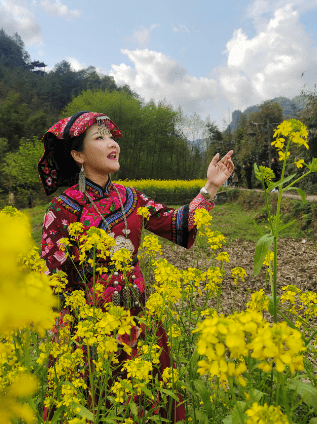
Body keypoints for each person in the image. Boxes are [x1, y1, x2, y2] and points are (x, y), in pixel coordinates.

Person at [38, 111, 234, 422]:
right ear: (78, 155)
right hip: (90, 332)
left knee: (146, 403)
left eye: (111, 136)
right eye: (99, 138)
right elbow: (50, 279)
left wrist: (210, 186)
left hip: (138, 323)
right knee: (94, 404)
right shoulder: (63, 208)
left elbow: (177, 224)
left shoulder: (131, 198)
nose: (112, 143)